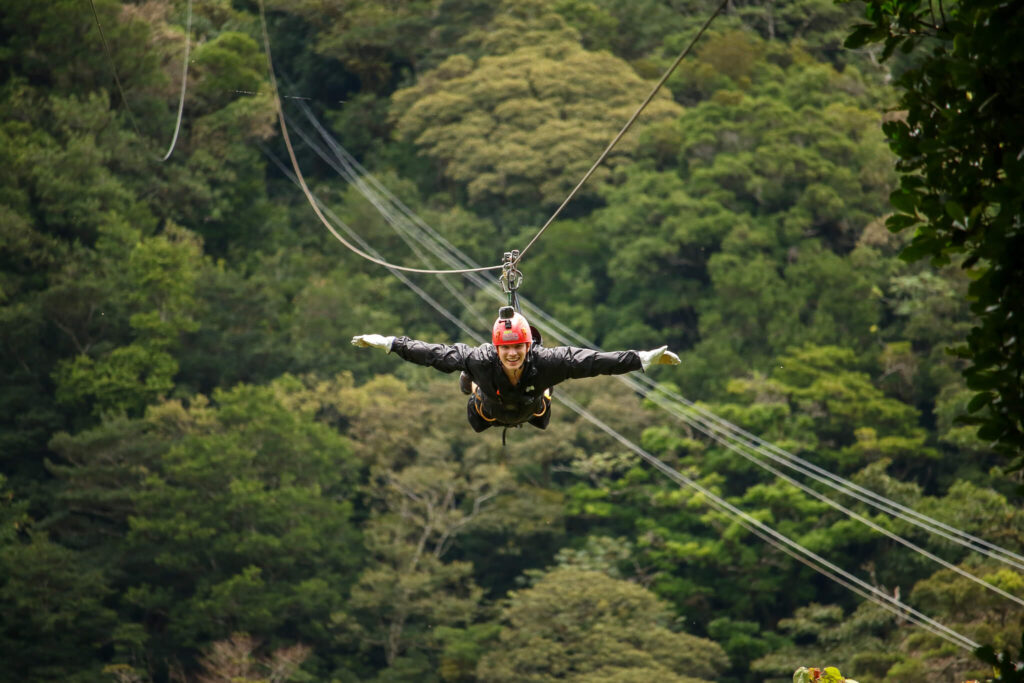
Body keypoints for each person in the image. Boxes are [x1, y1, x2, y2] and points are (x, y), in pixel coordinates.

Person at [351, 307, 680, 434]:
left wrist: (643, 359)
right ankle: (474, 386)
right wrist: (390, 343)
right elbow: (434, 354)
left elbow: (596, 362)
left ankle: (542, 392)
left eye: (518, 347)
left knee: (541, 417)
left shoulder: (549, 361)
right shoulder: (482, 358)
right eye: (506, 348)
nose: (512, 353)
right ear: (497, 348)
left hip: (532, 409)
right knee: (477, 410)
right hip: (486, 411)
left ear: (528, 346)